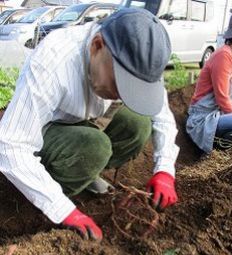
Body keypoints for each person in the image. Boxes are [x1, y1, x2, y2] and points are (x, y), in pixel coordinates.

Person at [0, 8, 179, 241]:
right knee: (95, 147)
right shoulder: (54, 60)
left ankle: (84, 173)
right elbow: (11, 144)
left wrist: (165, 170)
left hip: (86, 122)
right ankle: (47, 192)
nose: (123, 97)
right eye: (120, 84)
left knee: (138, 124)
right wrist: (63, 210)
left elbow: (162, 115)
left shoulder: (139, 61)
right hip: (45, 130)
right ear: (96, 46)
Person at [186, 7, 232, 153]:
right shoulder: (224, 55)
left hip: (221, 114)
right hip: (204, 117)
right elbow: (222, 97)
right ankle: (212, 153)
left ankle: (222, 151)